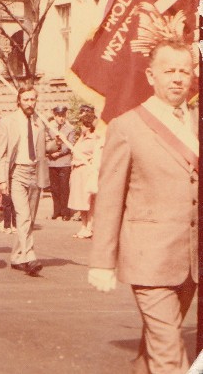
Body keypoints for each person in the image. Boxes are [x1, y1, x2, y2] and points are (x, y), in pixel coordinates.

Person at [89, 41, 198, 374]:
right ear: (151, 76)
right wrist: (102, 262)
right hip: (149, 260)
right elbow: (109, 198)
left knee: (155, 345)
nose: (178, 78)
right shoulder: (127, 126)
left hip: (191, 259)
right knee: (169, 354)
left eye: (185, 70)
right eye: (169, 71)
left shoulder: (197, 122)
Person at [0, 84, 49, 277]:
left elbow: (42, 149)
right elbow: (1, 153)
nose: (29, 103)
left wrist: (54, 143)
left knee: (29, 219)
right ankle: (29, 256)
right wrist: (3, 180)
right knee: (23, 216)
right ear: (19, 100)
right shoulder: (8, 122)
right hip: (17, 173)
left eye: (32, 99)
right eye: (25, 99)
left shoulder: (39, 122)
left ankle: (18, 256)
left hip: (35, 173)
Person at [67, 104, 101, 239]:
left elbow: (96, 155)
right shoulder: (80, 138)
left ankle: (90, 227)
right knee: (80, 201)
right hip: (77, 172)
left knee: (89, 201)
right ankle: (83, 226)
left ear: (88, 125)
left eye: (82, 124)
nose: (80, 127)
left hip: (86, 171)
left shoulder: (95, 139)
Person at [46, 105, 76, 221]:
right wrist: (49, 152)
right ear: (54, 116)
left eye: (63, 116)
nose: (61, 118)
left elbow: (69, 145)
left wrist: (58, 153)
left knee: (64, 188)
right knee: (54, 188)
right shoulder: (50, 128)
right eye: (58, 116)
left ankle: (65, 212)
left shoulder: (70, 129)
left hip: (64, 162)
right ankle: (56, 211)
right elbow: (46, 142)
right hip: (52, 162)